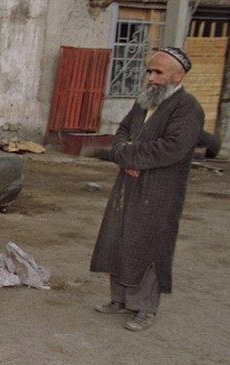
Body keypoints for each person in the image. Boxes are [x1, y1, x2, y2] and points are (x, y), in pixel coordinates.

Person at [90, 47, 204, 331]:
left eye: (158, 72)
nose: (151, 78)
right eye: (149, 71)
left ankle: (144, 308)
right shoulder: (143, 102)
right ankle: (119, 299)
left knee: (150, 246)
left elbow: (172, 148)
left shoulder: (187, 107)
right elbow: (120, 136)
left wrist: (132, 157)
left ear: (178, 75)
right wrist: (126, 157)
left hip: (159, 190)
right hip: (128, 184)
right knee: (119, 238)